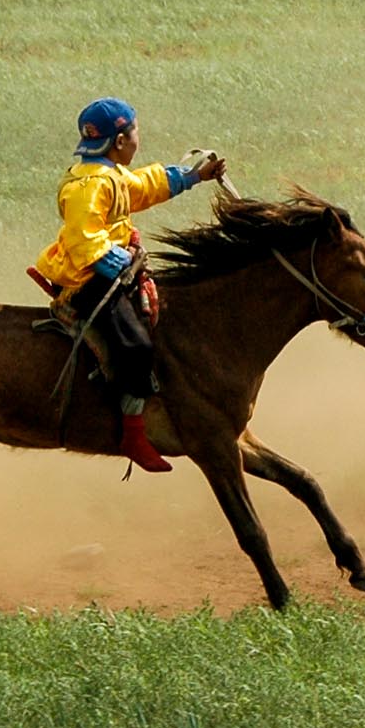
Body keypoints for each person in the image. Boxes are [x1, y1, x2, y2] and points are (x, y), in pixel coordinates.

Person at [33, 99, 226, 473]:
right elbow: (83, 240)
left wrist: (193, 176)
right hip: (89, 280)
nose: (139, 139)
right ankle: (133, 433)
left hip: (113, 268)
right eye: (136, 132)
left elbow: (143, 186)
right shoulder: (89, 184)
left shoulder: (110, 174)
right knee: (136, 347)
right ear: (121, 140)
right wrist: (121, 262)